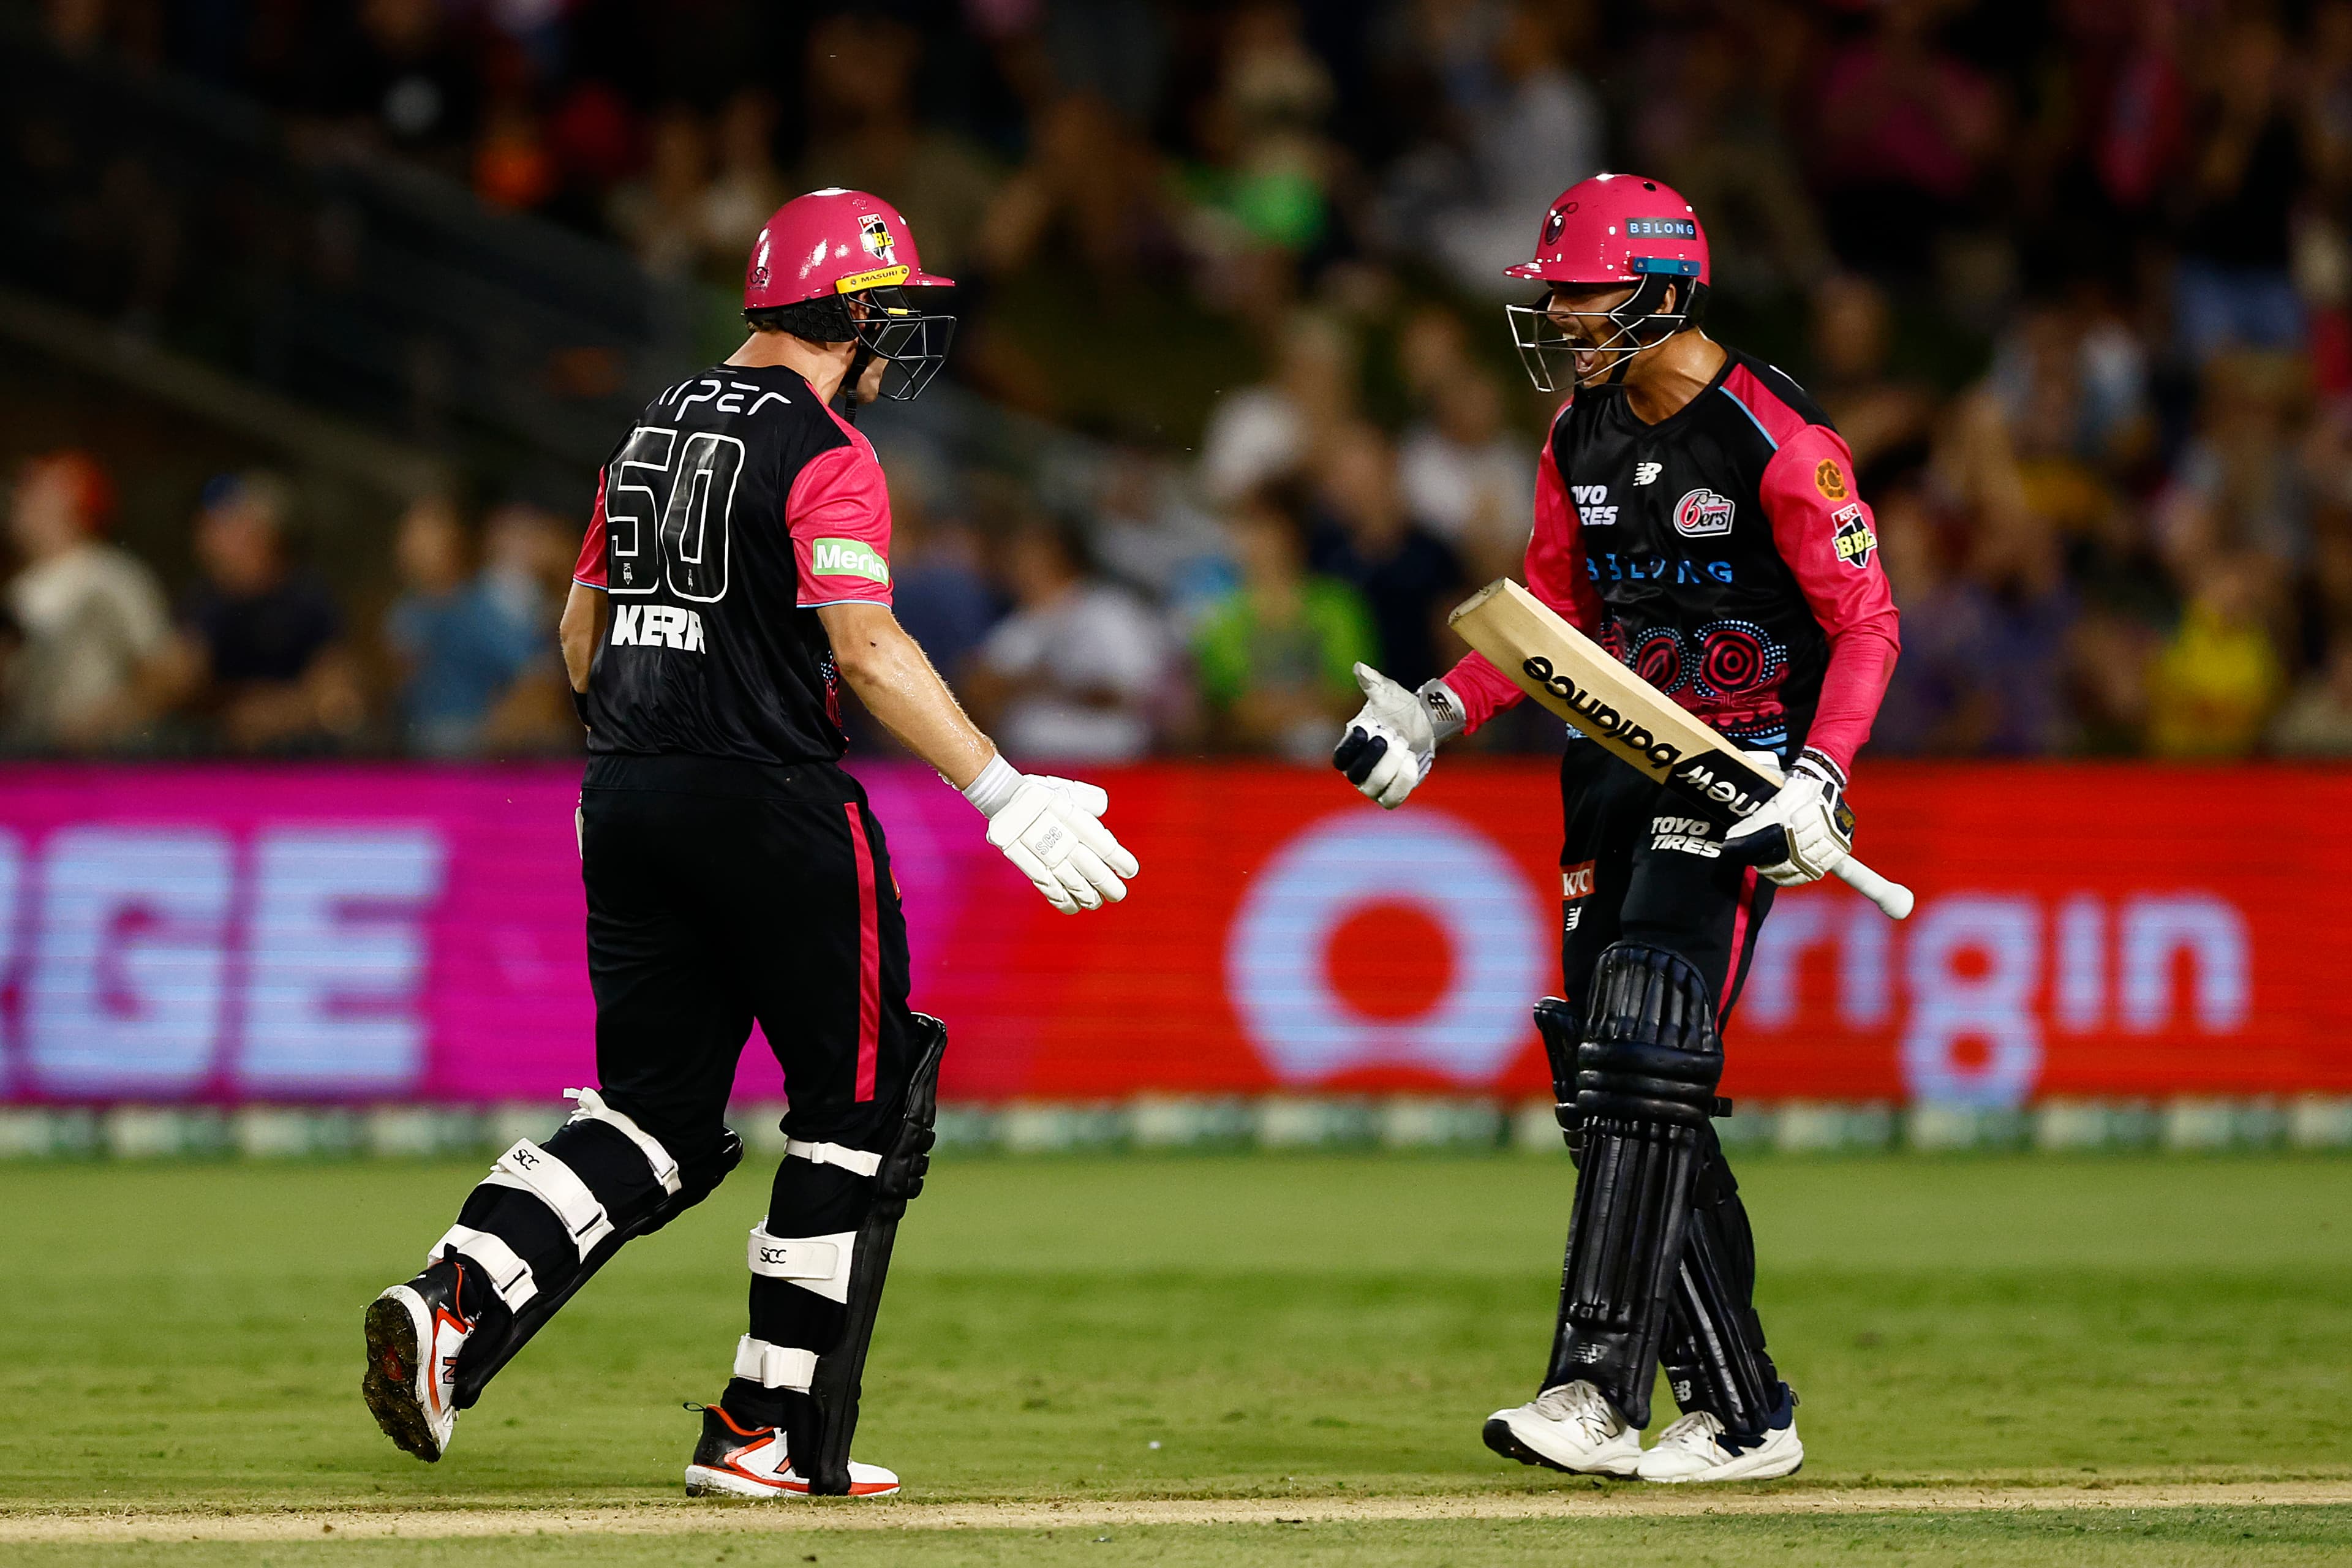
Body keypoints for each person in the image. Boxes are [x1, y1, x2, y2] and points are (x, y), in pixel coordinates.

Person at [360, 190, 1140, 1501]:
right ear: (843, 311)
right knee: (863, 1105)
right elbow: (866, 646)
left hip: (626, 794)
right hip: (771, 803)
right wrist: (1003, 791)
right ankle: (766, 1425)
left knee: (659, 1112)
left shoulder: (651, 424)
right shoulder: (831, 449)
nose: (899, 333)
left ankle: (453, 1299)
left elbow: (577, 642)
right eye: (887, 307)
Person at [1333, 175, 1899, 1483]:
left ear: (1662, 286)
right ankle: (1742, 1406)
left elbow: (1867, 622)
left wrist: (1816, 775)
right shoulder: (1575, 434)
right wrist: (1433, 713)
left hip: (1742, 777)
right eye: (1558, 294)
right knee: (1615, 1083)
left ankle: (1591, 1386)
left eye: (1584, 293)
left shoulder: (1778, 438)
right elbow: (1551, 628)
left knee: (1647, 1021)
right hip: (1611, 778)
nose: (1564, 315)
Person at [2, 450, 172, 752]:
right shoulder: (21, 588)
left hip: (107, 760)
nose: (23, 501)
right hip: (35, 756)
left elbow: (163, 672)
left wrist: (107, 717)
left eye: (38, 491)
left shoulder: (112, 574)